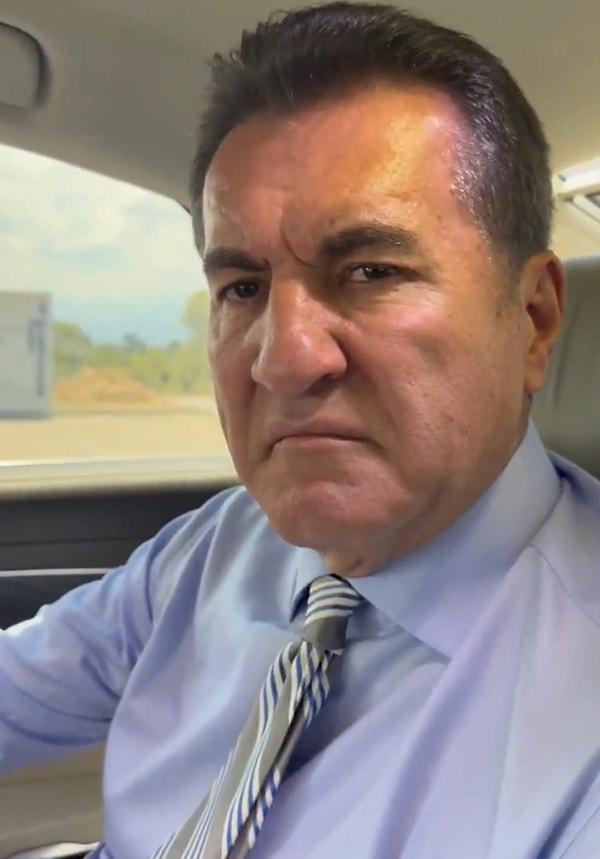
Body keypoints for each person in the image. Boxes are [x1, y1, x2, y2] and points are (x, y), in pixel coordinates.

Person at [2, 2, 600, 857]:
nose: (283, 360)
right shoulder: (216, 548)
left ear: (534, 320)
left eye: (371, 270)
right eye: (243, 288)